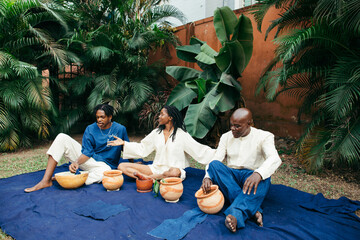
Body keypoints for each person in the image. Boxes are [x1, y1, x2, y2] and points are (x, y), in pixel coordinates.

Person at [201, 108, 282, 232]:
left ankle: (236, 215)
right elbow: (217, 159)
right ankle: (254, 209)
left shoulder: (264, 136)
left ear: (249, 123)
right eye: (231, 125)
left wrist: (258, 174)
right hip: (231, 178)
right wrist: (207, 177)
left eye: (237, 126)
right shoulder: (226, 137)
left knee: (266, 177)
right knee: (213, 165)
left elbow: (274, 158)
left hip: (252, 177)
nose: (233, 129)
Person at [24, 104, 129, 192]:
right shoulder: (90, 129)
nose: (99, 120)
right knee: (62, 137)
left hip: (104, 166)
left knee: (105, 173)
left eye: (102, 117)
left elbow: (127, 147)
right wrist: (77, 163)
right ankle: (46, 180)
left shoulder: (120, 129)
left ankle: (68, 178)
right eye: (97, 117)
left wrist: (132, 163)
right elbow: (87, 152)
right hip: (88, 160)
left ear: (110, 117)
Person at [107, 105, 215, 180]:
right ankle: (150, 178)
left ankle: (147, 179)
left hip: (172, 170)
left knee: (175, 172)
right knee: (122, 166)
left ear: (170, 117)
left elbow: (199, 150)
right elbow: (143, 147)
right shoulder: (156, 133)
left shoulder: (182, 135)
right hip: (155, 169)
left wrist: (219, 153)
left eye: (162, 114)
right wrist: (124, 144)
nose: (159, 116)